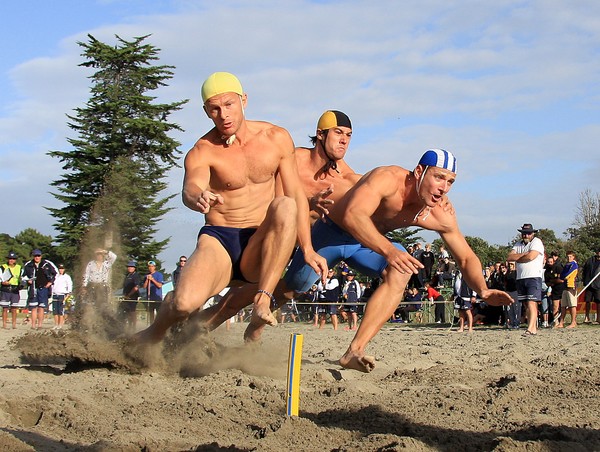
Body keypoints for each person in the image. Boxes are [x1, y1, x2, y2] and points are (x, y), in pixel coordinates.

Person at [135, 72, 326, 345]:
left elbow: (295, 193)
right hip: (220, 240)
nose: (223, 114)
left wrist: (307, 249)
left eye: (229, 104)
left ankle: (262, 299)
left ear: (244, 101)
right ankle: (152, 335)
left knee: (284, 204)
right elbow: (190, 187)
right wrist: (198, 196)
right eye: (214, 108)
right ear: (206, 112)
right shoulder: (203, 150)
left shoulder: (276, 138)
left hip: (259, 243)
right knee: (183, 304)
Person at [329, 149, 512, 371]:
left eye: (450, 181)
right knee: (291, 289)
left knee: (402, 270)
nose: (444, 188)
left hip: (365, 245)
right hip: (332, 235)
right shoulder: (388, 179)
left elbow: (465, 257)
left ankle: (354, 350)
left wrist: (482, 290)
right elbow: (353, 215)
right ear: (419, 171)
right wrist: (389, 250)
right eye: (439, 177)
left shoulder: (438, 212)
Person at [507, 223, 545, 336]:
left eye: (528, 233)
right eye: (524, 233)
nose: (526, 235)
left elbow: (531, 256)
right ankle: (532, 326)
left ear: (532, 233)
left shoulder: (537, 242)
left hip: (533, 276)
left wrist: (519, 257)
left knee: (532, 302)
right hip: (521, 277)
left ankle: (531, 328)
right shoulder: (518, 244)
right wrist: (523, 255)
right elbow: (510, 257)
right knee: (525, 304)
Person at [22, 249, 58, 330]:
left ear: (41, 256)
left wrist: (50, 282)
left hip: (43, 288)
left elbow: (55, 273)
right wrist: (28, 280)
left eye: (38, 256)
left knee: (41, 307)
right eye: (35, 256)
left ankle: (40, 325)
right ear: (33, 256)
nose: (37, 257)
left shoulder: (47, 264)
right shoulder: (28, 265)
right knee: (33, 307)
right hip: (33, 288)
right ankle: (33, 325)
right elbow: (23, 276)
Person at [556, 251, 579, 329]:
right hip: (565, 286)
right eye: (568, 256)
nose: (569, 258)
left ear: (573, 257)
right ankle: (561, 322)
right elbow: (562, 274)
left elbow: (567, 274)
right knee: (563, 306)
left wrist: (563, 277)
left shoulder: (574, 265)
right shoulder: (567, 265)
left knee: (572, 305)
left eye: (570, 256)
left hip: (571, 286)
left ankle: (573, 322)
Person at [1, 251, 22, 329]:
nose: (11, 260)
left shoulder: (19, 267)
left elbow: (22, 277)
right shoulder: (3, 267)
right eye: (10, 258)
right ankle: (4, 324)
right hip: (5, 289)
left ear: (15, 260)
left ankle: (14, 324)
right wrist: (2, 282)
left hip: (15, 289)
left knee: (14, 308)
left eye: (13, 259)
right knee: (5, 308)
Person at [544, 253, 564, 326]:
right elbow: (547, 283)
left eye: (551, 262)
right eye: (548, 262)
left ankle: (562, 321)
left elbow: (561, 280)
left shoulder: (558, 267)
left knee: (563, 306)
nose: (549, 263)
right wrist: (553, 282)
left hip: (562, 289)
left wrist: (553, 281)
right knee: (555, 307)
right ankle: (556, 322)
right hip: (554, 290)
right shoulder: (546, 271)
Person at [121, 261, 141, 332]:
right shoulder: (128, 275)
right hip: (126, 296)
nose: (129, 268)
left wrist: (129, 295)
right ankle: (128, 327)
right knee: (126, 311)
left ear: (134, 268)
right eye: (128, 267)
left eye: (131, 267)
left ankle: (133, 328)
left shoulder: (136, 276)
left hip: (132, 297)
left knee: (132, 311)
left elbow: (136, 287)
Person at [581, 249, 600, 324]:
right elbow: (584, 270)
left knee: (598, 301)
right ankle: (587, 317)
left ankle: (598, 318)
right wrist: (585, 281)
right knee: (587, 301)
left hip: (598, 284)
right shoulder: (590, 260)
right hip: (589, 284)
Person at [52, 264, 73, 330]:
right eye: (60, 268)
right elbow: (53, 285)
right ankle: (56, 324)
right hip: (55, 294)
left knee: (61, 311)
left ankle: (60, 324)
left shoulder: (67, 277)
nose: (61, 270)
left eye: (62, 268)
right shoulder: (56, 276)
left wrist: (68, 293)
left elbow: (70, 285)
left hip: (62, 294)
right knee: (55, 311)